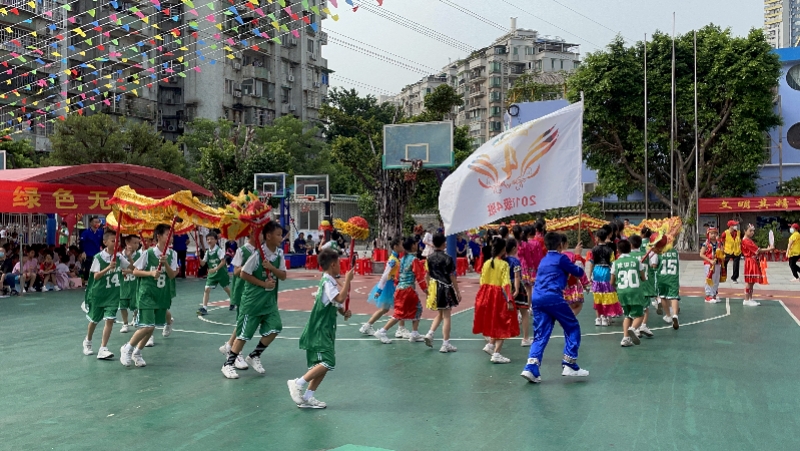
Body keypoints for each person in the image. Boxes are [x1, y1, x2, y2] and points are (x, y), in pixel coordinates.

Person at [288, 248, 354, 409]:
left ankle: (308, 397)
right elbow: (339, 297)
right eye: (338, 263)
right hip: (319, 330)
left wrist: (343, 311)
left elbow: (334, 302)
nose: (340, 265)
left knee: (322, 365)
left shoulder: (329, 282)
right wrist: (347, 281)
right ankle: (297, 383)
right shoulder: (327, 282)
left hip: (326, 329)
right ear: (333, 264)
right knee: (328, 361)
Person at [221, 222, 287, 379]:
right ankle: (228, 364)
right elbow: (243, 273)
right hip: (253, 301)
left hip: (269, 302)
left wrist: (271, 268)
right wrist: (264, 283)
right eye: (278, 235)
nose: (281, 238)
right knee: (244, 334)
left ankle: (255, 355)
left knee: (276, 327)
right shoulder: (257, 254)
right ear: (268, 236)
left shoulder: (279, 254)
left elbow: (283, 275)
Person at [521, 232, 588, 383]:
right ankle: (569, 363)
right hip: (553, 297)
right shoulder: (561, 258)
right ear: (560, 245)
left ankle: (531, 367)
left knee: (540, 334)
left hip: (537, 299)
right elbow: (578, 272)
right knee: (572, 327)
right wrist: (577, 256)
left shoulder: (544, 260)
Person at [120, 224, 178, 368]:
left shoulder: (173, 254)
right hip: (146, 293)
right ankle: (127, 348)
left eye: (171, 235)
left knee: (151, 328)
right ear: (158, 236)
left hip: (161, 294)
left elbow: (172, 275)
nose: (170, 238)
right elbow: (135, 272)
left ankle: (138, 352)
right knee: (147, 326)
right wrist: (150, 273)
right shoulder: (148, 253)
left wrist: (166, 264)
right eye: (167, 235)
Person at [82, 230, 130, 360]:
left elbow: (130, 267)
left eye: (118, 241)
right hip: (98, 294)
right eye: (113, 241)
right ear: (105, 242)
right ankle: (88, 341)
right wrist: (109, 267)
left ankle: (103, 348)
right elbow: (96, 276)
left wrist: (129, 261)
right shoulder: (98, 257)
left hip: (113, 295)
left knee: (110, 320)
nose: (116, 243)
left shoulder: (119, 257)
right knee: (94, 321)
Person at [372, 237, 428, 344]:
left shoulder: (401, 260)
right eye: (416, 243)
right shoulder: (413, 260)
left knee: (417, 308)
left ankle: (414, 333)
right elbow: (419, 277)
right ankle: (383, 331)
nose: (418, 245)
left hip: (400, 289)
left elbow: (397, 276)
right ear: (413, 246)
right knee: (400, 313)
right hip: (408, 290)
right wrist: (426, 290)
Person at [473, 238, 518, 364]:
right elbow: (506, 283)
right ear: (503, 249)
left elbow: (482, 281)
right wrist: (509, 299)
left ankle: (491, 345)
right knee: (502, 323)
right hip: (498, 296)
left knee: (494, 321)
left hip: (486, 294)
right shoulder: (503, 264)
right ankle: (496, 353)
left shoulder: (487, 263)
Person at [218, 230, 257, 371]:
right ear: (251, 235)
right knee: (243, 323)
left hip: (253, 291)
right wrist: (249, 263)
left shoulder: (260, 251)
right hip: (242, 291)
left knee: (243, 321)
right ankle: (236, 353)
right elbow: (235, 271)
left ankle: (229, 346)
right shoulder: (242, 251)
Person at [360, 238, 407, 338]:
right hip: (389, 286)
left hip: (392, 284)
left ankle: (367, 325)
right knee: (400, 306)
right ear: (395, 246)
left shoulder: (396, 258)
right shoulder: (392, 260)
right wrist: (379, 290)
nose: (403, 246)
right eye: (401, 244)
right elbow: (385, 275)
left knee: (386, 309)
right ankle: (400, 329)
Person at [422, 233, 461, 352]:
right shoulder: (448, 258)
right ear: (444, 243)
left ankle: (430, 333)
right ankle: (445, 343)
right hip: (445, 288)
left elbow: (426, 276)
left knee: (440, 314)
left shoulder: (429, 258)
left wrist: (429, 289)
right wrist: (457, 291)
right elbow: (452, 276)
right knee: (447, 316)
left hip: (435, 288)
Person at [611, 240, 648, 347]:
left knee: (628, 315)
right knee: (640, 315)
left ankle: (625, 338)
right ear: (630, 248)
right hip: (635, 291)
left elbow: (612, 281)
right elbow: (643, 277)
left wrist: (617, 288)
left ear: (618, 250)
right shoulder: (637, 261)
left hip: (622, 292)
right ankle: (632, 328)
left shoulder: (615, 263)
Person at [587, 228, 622, 326]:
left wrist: (589, 276)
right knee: (607, 294)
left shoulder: (593, 250)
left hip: (597, 271)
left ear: (597, 238)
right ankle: (606, 317)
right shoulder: (610, 250)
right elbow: (612, 264)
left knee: (598, 295)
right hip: (607, 271)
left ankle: (598, 318)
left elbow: (591, 264)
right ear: (606, 237)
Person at [505, 238, 531, 346]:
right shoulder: (515, 261)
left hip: (504, 286)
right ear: (514, 248)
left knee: (501, 312)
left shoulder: (502, 260)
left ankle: (494, 337)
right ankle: (525, 338)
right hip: (516, 287)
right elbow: (517, 276)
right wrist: (516, 289)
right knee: (524, 312)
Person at [198, 231, 232, 316]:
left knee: (226, 288)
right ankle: (204, 308)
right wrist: (198, 257)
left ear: (216, 240)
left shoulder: (218, 250)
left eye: (212, 239)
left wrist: (215, 269)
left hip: (221, 273)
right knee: (206, 289)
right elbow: (203, 263)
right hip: (212, 274)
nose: (209, 241)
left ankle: (233, 301)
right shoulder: (207, 252)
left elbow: (223, 262)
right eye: (208, 239)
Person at [628, 234, 655, 339]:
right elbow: (653, 265)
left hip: (631, 285)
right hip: (644, 285)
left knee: (634, 307)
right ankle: (641, 326)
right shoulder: (646, 254)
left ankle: (637, 327)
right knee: (645, 307)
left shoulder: (628, 256)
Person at [741, 224, 774, 307]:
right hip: (750, 261)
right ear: (745, 231)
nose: (752, 232)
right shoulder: (746, 241)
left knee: (752, 282)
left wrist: (767, 249)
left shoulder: (749, 240)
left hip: (753, 260)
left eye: (753, 231)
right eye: (750, 231)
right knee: (749, 281)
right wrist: (769, 249)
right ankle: (746, 299)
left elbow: (757, 250)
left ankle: (750, 298)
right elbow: (757, 250)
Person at [119, 235, 141, 334]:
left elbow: (136, 269)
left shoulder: (139, 255)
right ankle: (125, 323)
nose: (137, 245)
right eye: (134, 243)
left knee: (136, 304)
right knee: (123, 305)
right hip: (123, 284)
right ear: (127, 243)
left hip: (134, 284)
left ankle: (135, 317)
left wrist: (129, 258)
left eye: (138, 243)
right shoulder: (119, 255)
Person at [657, 245, 681, 329]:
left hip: (662, 277)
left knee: (663, 297)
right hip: (673, 277)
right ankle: (675, 314)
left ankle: (668, 315)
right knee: (674, 297)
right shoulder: (675, 252)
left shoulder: (658, 252)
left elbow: (654, 265)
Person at [700, 227, 726, 303]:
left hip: (717, 263)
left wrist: (722, 256)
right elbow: (701, 254)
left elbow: (722, 252)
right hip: (709, 264)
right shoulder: (706, 244)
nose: (714, 235)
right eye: (712, 233)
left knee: (716, 279)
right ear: (708, 234)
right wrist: (710, 260)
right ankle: (708, 296)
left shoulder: (719, 243)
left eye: (715, 233)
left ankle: (714, 294)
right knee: (709, 279)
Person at [79, 217, 104, 281]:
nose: (97, 223)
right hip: (88, 254)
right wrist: (82, 252)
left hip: (98, 254)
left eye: (98, 222)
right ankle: (87, 282)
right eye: (95, 222)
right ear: (91, 223)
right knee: (88, 269)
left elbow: (103, 242)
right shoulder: (85, 232)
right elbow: (81, 243)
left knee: (98, 269)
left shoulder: (101, 232)